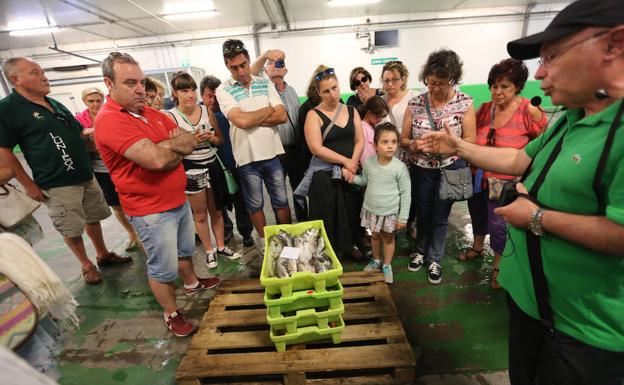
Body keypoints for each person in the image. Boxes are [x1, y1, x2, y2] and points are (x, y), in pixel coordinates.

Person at [417, 0, 624, 382]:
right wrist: (459, 147)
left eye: (553, 56)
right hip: (531, 306)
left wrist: (538, 218)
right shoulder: (570, 119)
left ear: (614, 45)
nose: (541, 73)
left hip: (583, 331)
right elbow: (517, 161)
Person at [95, 52, 220, 337]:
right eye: (130, 83)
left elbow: (188, 143)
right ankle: (172, 313)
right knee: (162, 268)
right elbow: (157, 161)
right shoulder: (111, 120)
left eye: (141, 82)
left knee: (186, 249)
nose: (140, 89)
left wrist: (163, 146)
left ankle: (191, 282)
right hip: (150, 211)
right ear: (109, 84)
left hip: (177, 200)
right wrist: (169, 147)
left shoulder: (151, 113)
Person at [0, 57, 131, 286]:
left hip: (83, 173)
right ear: (16, 79)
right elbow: (5, 151)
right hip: (56, 180)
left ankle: (102, 254)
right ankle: (86, 264)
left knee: (92, 216)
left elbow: (78, 132)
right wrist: (28, 185)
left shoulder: (53, 103)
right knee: (70, 225)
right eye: (35, 72)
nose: (44, 76)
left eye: (42, 71)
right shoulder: (9, 109)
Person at [459, 59, 546, 289]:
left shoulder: (528, 110)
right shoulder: (485, 110)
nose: (497, 92)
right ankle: (477, 247)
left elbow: (543, 145)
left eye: (505, 87)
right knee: (476, 212)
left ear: (517, 86)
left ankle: (498, 265)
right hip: (478, 176)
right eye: (494, 86)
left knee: (499, 224)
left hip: (505, 182)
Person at [401, 49, 476, 284]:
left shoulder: (464, 103)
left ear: (453, 80)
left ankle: (435, 259)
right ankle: (420, 251)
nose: (433, 88)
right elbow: (403, 138)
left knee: (441, 216)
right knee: (423, 213)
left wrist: (450, 148)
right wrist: (413, 144)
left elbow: (471, 141)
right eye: (430, 82)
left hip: (450, 169)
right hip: (421, 168)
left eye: (440, 83)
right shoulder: (415, 104)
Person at [216, 39, 291, 253]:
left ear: (249, 60)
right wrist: (267, 110)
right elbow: (241, 121)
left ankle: (284, 240)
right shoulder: (224, 90)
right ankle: (266, 244)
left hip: (272, 154)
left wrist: (250, 117)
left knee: (281, 201)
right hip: (247, 159)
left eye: (243, 65)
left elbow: (282, 115)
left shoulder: (264, 82)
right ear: (226, 66)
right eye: (234, 67)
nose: (240, 71)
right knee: (255, 205)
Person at [165, 72, 241, 269]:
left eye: (192, 90)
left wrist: (210, 138)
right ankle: (209, 250)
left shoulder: (206, 111)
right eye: (184, 90)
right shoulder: (171, 117)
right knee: (199, 214)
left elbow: (220, 139)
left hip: (212, 164)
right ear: (175, 93)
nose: (190, 95)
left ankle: (222, 246)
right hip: (191, 169)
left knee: (217, 211)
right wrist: (191, 141)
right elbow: (173, 147)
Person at [296, 65, 364, 258]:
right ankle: (327, 253)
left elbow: (359, 140)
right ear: (318, 92)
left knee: (351, 210)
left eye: (335, 88)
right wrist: (346, 162)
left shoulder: (351, 110)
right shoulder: (313, 115)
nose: (332, 94)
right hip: (325, 176)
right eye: (326, 91)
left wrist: (353, 163)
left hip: (350, 171)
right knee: (329, 215)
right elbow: (316, 148)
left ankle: (350, 245)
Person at [75, 86, 141, 252]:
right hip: (100, 170)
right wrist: (86, 136)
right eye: (91, 101)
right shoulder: (79, 120)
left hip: (120, 166)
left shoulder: (111, 114)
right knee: (115, 205)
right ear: (84, 101)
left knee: (132, 200)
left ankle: (143, 231)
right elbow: (80, 141)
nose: (95, 104)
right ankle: (132, 233)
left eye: (98, 100)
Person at [251, 49, 307, 222]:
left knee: (299, 189)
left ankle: (303, 222)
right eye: (271, 64)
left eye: (280, 64)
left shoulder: (291, 91)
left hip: (295, 150)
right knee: (278, 193)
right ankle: (284, 227)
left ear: (286, 71)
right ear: (265, 70)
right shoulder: (262, 89)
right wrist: (265, 56)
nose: (275, 66)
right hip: (276, 151)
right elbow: (251, 72)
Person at [199, 75, 254, 247]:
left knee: (241, 201)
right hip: (213, 166)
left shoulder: (229, 110)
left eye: (216, 95)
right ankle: (227, 231)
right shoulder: (199, 115)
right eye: (210, 96)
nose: (213, 100)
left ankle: (246, 232)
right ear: (202, 95)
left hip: (234, 163)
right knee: (218, 204)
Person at [352, 123, 410, 284]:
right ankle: (376, 260)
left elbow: (406, 194)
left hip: (390, 213)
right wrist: (352, 178)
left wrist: (403, 218)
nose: (390, 146)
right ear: (375, 145)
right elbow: (364, 180)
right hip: (371, 210)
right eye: (385, 142)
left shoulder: (399, 168)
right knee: (375, 236)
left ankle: (386, 265)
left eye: (393, 142)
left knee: (388, 238)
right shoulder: (369, 163)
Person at [381, 60, 417, 236]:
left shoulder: (414, 98)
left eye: (394, 79)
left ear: (403, 79)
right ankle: (390, 229)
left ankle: (410, 223)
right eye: (386, 80)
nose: (390, 84)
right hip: (387, 159)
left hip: (408, 156)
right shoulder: (380, 101)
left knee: (408, 192)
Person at [359, 96, 390, 165]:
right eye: (378, 116)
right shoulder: (363, 128)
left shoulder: (372, 126)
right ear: (369, 112)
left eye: (383, 117)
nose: (380, 119)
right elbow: (365, 155)